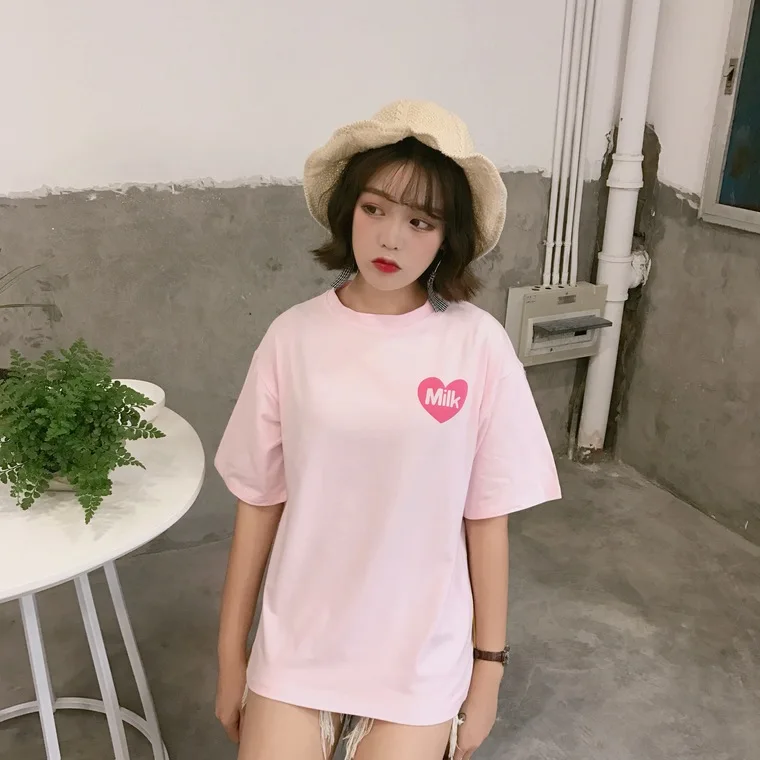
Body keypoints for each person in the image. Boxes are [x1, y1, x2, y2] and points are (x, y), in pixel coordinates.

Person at [213, 100, 561, 760]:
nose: (390, 238)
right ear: (349, 209)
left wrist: (487, 673)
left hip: (420, 658)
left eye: (420, 220)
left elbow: (485, 517)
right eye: (374, 209)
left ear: (447, 236)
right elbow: (258, 501)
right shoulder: (293, 337)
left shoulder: (478, 345)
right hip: (299, 647)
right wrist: (232, 658)